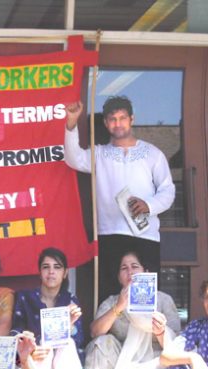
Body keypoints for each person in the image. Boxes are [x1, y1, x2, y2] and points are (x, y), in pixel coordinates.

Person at [63, 96, 175, 301]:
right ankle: (111, 334)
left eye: (122, 118)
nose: (118, 123)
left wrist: (148, 206)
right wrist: (71, 124)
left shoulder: (152, 154)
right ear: (106, 123)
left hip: (145, 236)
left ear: (132, 119)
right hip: (110, 233)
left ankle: (146, 334)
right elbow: (73, 159)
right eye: (112, 119)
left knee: (144, 297)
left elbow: (168, 191)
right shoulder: (100, 154)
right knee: (112, 294)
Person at [70, 251, 179, 369]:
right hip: (121, 361)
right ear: (119, 277)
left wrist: (160, 331)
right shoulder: (113, 301)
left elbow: (176, 342)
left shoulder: (162, 300)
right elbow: (95, 332)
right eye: (124, 268)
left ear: (146, 271)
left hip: (154, 358)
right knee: (102, 343)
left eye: (134, 267)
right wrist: (119, 307)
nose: (130, 272)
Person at [12, 247, 83, 369]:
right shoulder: (25, 298)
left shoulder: (70, 301)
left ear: (65, 273)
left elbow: (79, 342)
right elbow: (14, 333)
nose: (51, 272)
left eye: (57, 267)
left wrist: (70, 325)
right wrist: (29, 351)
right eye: (46, 267)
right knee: (43, 345)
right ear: (39, 272)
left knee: (68, 343)